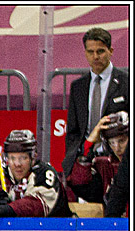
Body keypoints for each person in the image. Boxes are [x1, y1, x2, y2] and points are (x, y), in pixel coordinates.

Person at [62, 28, 129, 176]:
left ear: (111, 51)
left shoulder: (126, 82)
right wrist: (73, 158)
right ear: (85, 53)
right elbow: (73, 131)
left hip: (118, 159)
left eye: (100, 51)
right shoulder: (77, 86)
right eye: (90, 52)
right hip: (86, 159)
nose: (95, 57)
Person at [67, 111, 128, 205]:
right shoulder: (105, 166)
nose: (117, 148)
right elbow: (80, 184)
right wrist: (89, 144)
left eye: (122, 141)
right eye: (112, 143)